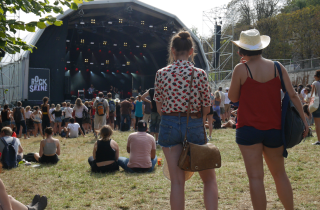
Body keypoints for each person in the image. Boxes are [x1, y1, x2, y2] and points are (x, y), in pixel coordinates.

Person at [229, 29, 308, 210]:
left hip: (248, 129)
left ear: (241, 51)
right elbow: (293, 96)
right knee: (280, 174)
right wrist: (304, 121)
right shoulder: (277, 67)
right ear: (260, 48)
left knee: (256, 178)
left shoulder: (241, 69)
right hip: (274, 129)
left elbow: (233, 98)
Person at [154, 30, 218, 210]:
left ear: (173, 51)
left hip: (169, 124)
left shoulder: (161, 73)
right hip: (194, 124)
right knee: (209, 179)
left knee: (177, 182)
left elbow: (159, 108)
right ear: (191, 51)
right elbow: (206, 108)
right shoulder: (199, 74)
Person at [310, 70, 320, 145]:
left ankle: (319, 140)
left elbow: (312, 96)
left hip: (317, 105)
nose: (314, 77)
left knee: (317, 123)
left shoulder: (315, 83)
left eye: (315, 76)